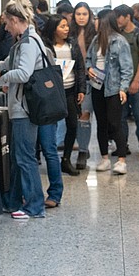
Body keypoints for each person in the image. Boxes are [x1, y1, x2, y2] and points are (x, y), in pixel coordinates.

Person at [0, 1, 50, 218]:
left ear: (14, 20)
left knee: (24, 157)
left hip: (24, 109)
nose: (5, 29)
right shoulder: (24, 42)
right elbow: (7, 64)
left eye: (6, 24)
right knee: (18, 157)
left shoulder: (28, 43)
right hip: (22, 108)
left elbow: (23, 73)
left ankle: (34, 206)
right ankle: (14, 201)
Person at [87, 11, 134, 175]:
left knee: (115, 123)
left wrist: (123, 88)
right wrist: (89, 68)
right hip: (97, 86)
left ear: (104, 21)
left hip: (113, 88)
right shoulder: (95, 40)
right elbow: (88, 59)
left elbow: (127, 68)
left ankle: (121, 160)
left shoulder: (119, 41)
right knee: (100, 123)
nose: (94, 22)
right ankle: (104, 158)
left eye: (96, 19)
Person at [44, 13, 86, 179]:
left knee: (73, 125)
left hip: (70, 90)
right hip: (53, 91)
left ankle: (66, 159)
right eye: (62, 26)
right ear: (54, 29)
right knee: (51, 127)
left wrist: (81, 89)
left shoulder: (72, 44)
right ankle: (51, 160)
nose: (66, 29)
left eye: (67, 26)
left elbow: (80, 68)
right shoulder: (46, 45)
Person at [117, 4, 139, 153]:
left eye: (119, 17)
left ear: (127, 17)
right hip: (120, 83)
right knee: (121, 116)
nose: (117, 20)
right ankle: (123, 145)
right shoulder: (117, 35)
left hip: (138, 82)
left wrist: (136, 81)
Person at [69, 2, 98, 171]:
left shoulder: (95, 33)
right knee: (79, 116)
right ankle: (81, 147)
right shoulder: (69, 32)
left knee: (85, 115)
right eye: (78, 14)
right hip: (74, 79)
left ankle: (82, 150)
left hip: (91, 79)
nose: (81, 17)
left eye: (84, 14)